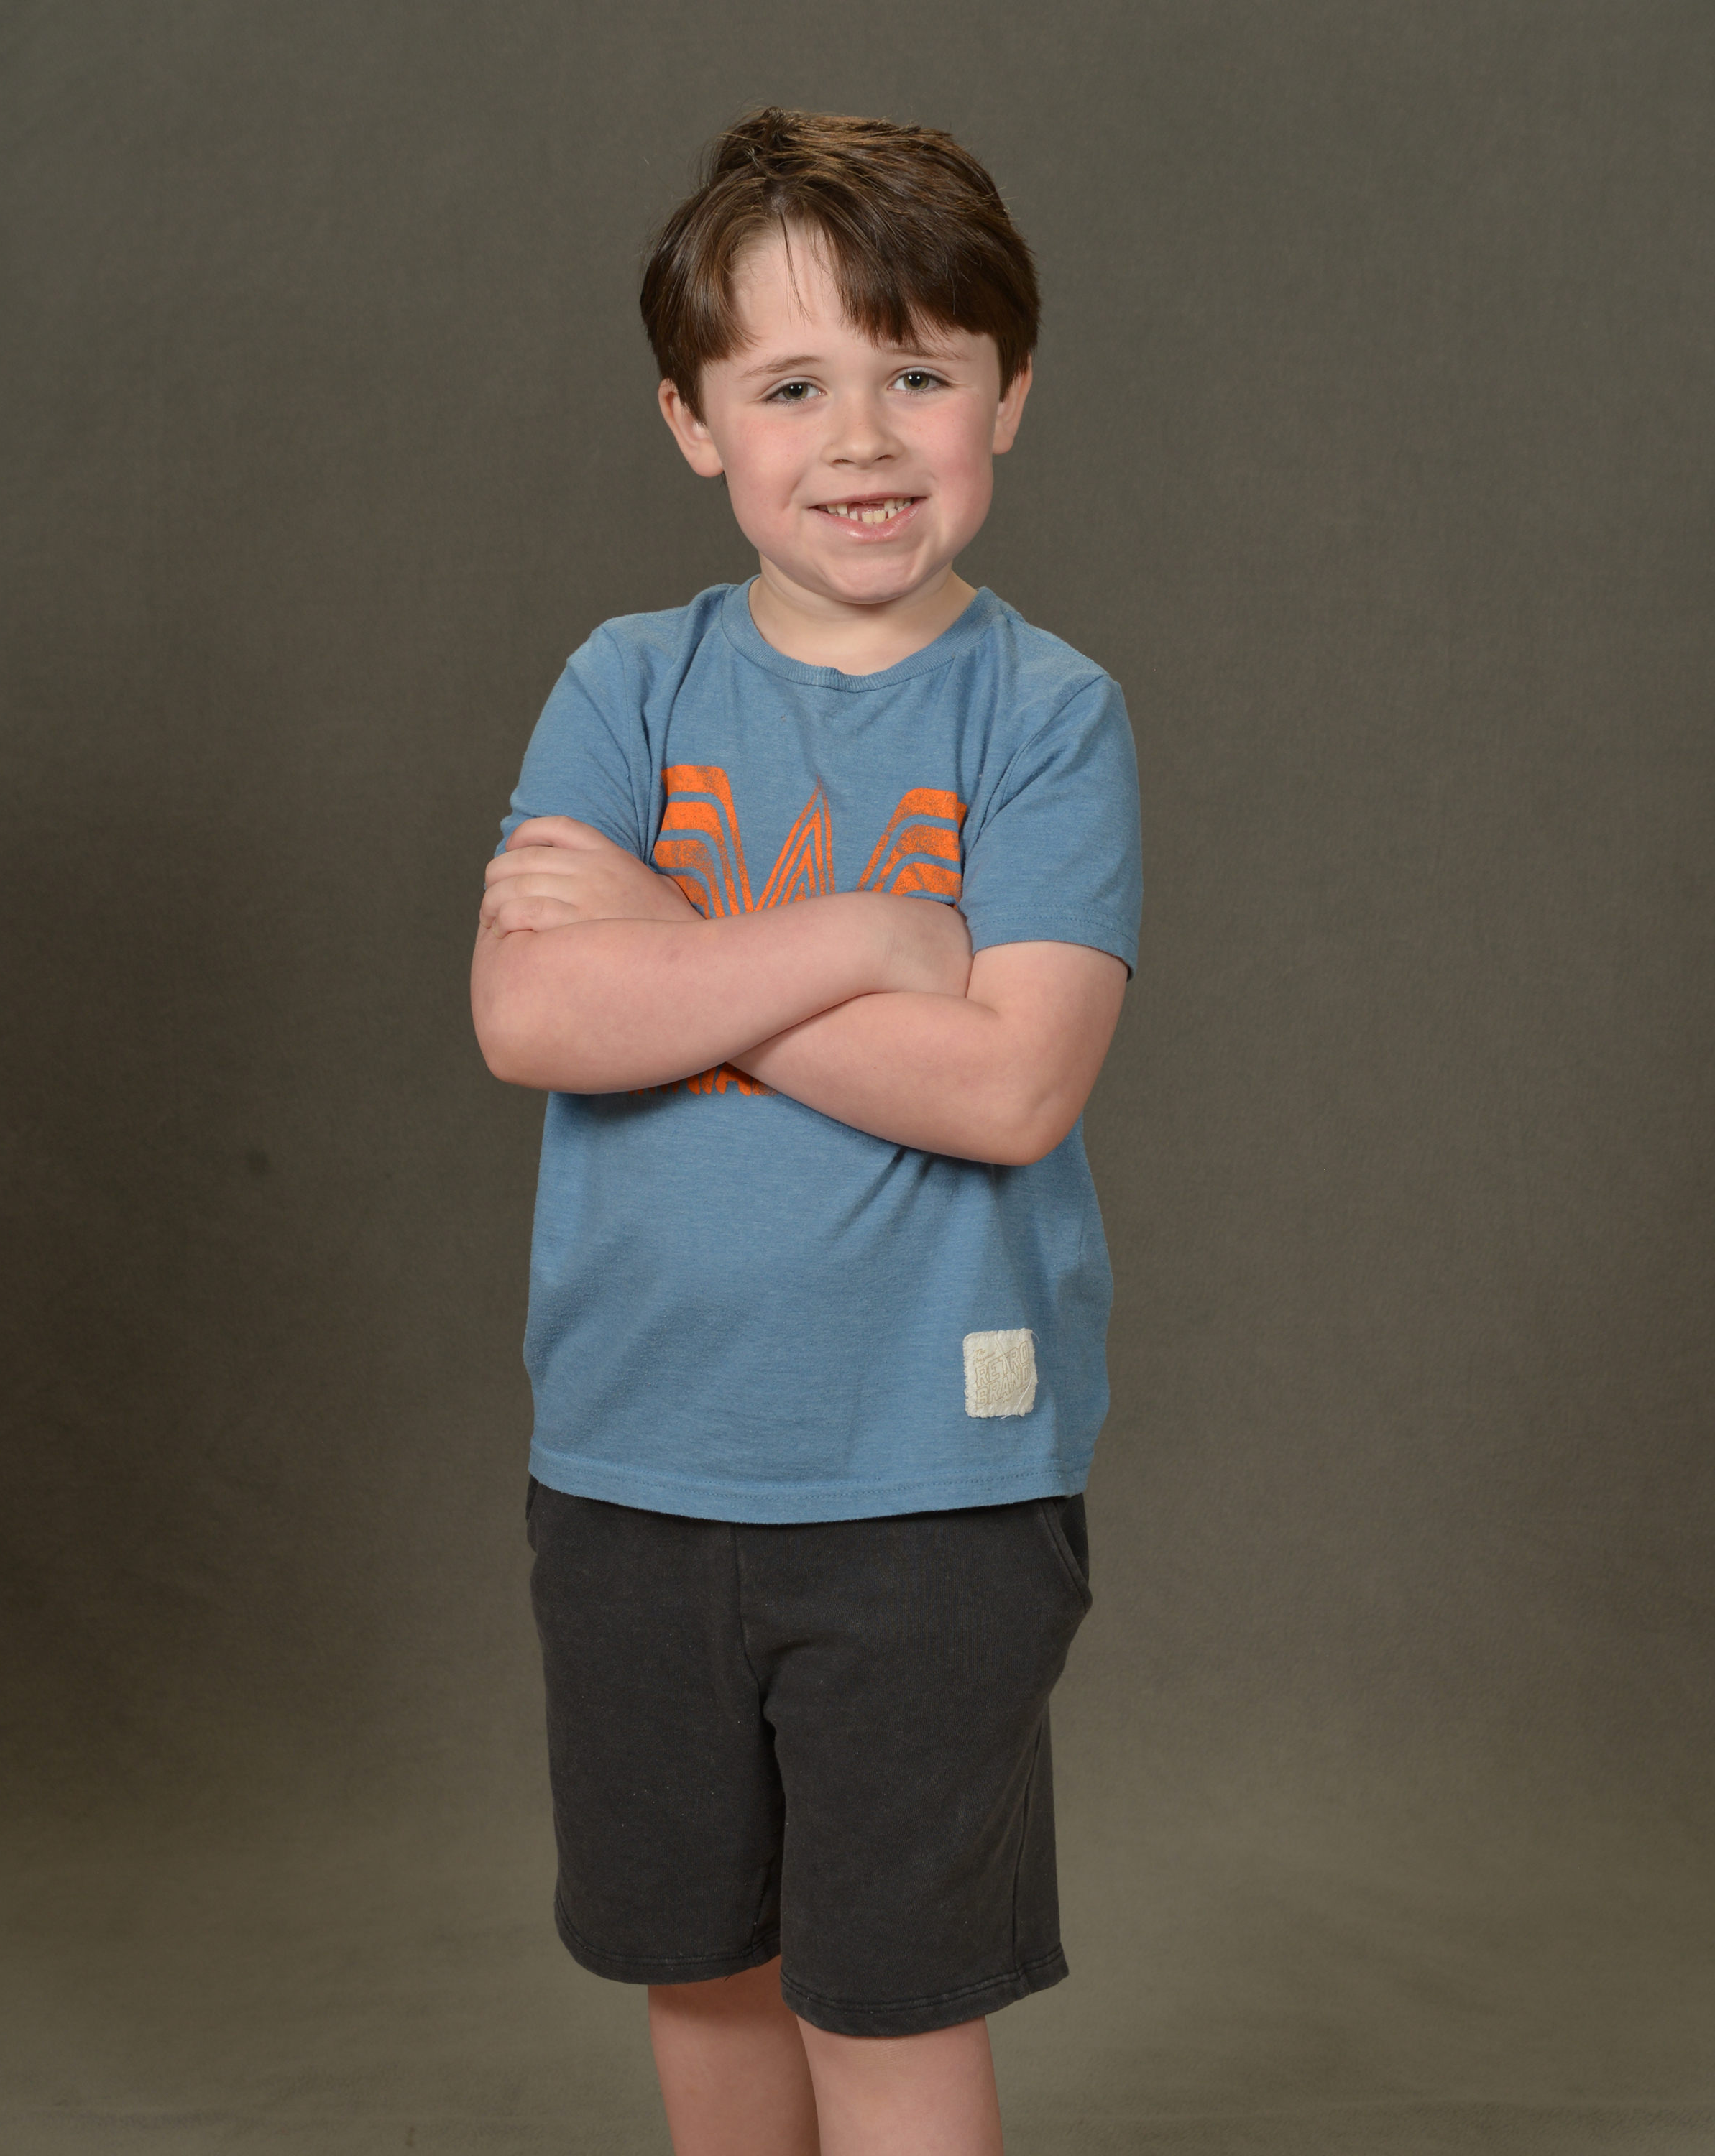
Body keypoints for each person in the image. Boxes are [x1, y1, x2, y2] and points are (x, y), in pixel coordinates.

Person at [472, 107, 1141, 2156]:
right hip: (633, 1464)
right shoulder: (627, 685)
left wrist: (674, 951)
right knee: (702, 1966)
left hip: (931, 1481)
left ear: (1007, 396)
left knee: (887, 1993)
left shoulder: (1045, 714)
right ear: (694, 422)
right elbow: (531, 1013)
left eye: (917, 373)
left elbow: (1011, 1082)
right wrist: (862, 939)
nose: (861, 437)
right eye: (790, 386)